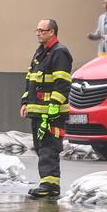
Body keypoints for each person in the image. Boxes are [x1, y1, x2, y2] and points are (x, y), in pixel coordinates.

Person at [22, 18, 73, 199]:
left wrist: (54, 107)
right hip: (38, 111)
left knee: (49, 149)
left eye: (42, 30)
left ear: (52, 32)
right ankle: (47, 183)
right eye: (37, 30)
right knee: (41, 148)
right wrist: (25, 102)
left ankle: (50, 187)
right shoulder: (41, 52)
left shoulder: (60, 53)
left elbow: (63, 83)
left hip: (52, 113)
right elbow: (31, 79)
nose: (38, 33)